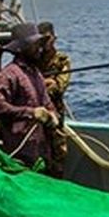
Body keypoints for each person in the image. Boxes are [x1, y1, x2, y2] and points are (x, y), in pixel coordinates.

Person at [0, 22, 60, 172]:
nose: (39, 49)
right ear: (21, 47)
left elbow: (47, 103)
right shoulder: (9, 74)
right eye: (34, 45)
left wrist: (52, 115)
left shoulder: (36, 74)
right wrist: (31, 113)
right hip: (18, 159)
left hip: (40, 156)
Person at [35, 21, 71, 179]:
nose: (45, 42)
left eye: (48, 38)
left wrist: (42, 84)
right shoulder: (34, 59)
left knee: (57, 157)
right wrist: (46, 82)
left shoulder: (62, 61)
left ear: (54, 38)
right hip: (35, 115)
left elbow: (59, 86)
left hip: (54, 114)